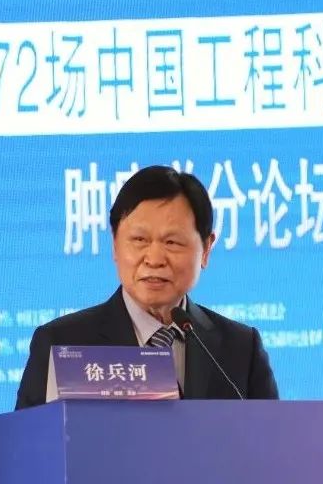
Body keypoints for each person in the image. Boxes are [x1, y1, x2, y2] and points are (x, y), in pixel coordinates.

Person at [15, 165, 279, 408]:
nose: (154, 259)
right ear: (115, 244)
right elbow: (27, 441)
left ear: (206, 249)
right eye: (139, 240)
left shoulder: (241, 349)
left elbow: (272, 439)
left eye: (172, 242)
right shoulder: (62, 343)